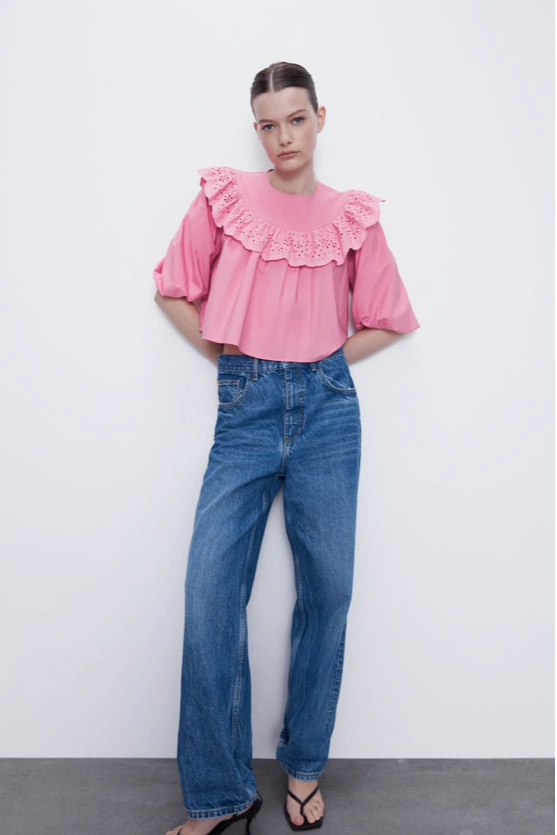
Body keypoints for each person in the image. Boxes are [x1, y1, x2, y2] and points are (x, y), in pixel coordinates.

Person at [154, 61, 420, 835]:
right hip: (245, 405)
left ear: (319, 118)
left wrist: (321, 361)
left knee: (328, 589)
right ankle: (221, 792)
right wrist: (228, 355)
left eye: (296, 119)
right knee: (209, 593)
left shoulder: (351, 217)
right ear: (257, 130)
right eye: (268, 124)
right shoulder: (224, 199)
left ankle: (304, 765)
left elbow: (388, 316)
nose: (283, 137)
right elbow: (172, 287)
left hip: (327, 410)